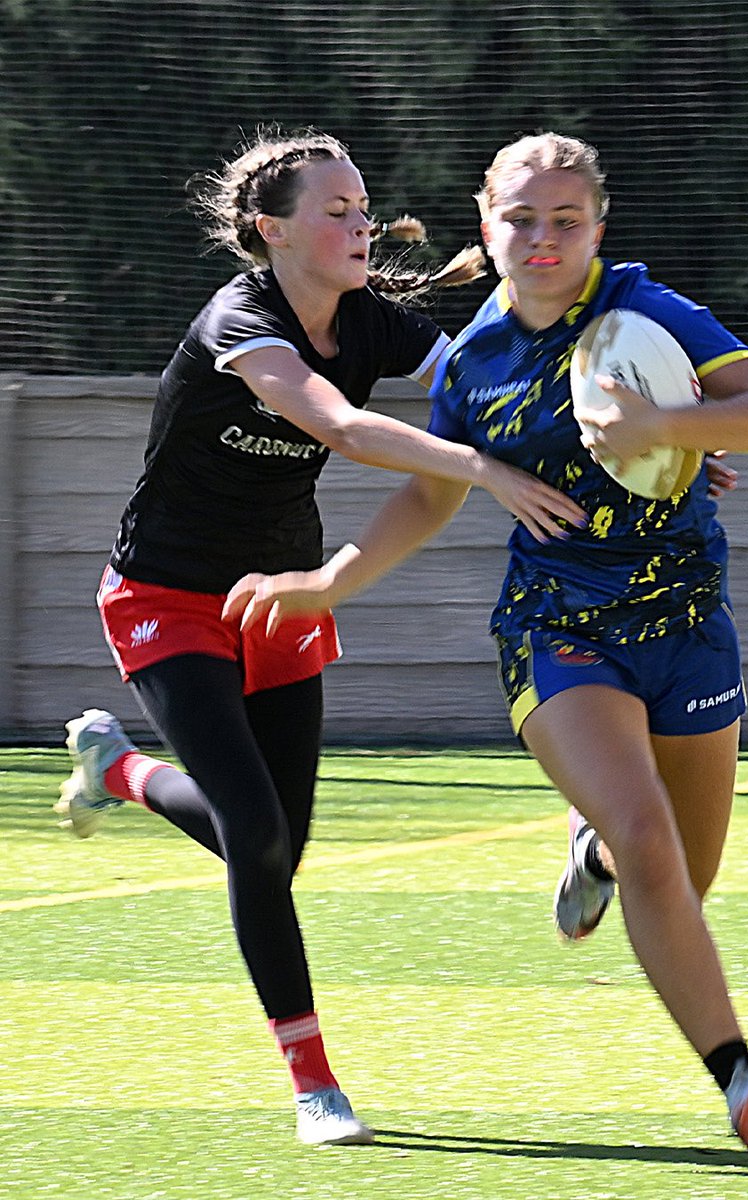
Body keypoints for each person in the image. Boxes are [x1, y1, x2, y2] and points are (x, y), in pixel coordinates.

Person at [224, 132, 748, 1160]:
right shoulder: (478, 363)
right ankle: (740, 1079)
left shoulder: (648, 314)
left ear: (598, 228)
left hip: (688, 629)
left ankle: (589, 853)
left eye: (565, 220)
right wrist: (329, 584)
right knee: (649, 837)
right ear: (485, 225)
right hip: (557, 630)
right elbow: (429, 492)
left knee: (683, 870)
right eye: (521, 220)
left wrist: (670, 426)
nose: (542, 240)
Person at [54, 128, 587, 1148]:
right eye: (335, 210)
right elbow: (338, 425)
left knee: (277, 849)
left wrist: (644, 436)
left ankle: (116, 771)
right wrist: (479, 470)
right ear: (272, 230)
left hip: (284, 596)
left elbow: (489, 382)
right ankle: (314, 1082)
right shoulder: (240, 320)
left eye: (362, 207)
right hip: (167, 594)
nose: (360, 223)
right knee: (253, 833)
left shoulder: (375, 322)